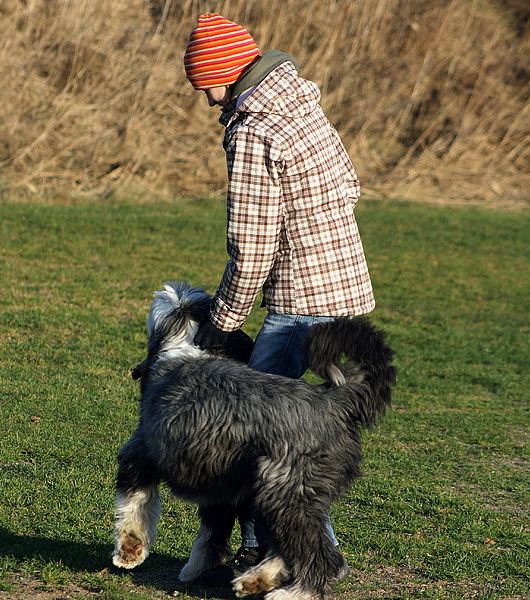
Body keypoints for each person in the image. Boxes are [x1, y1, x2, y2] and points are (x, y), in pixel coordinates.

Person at [183, 13, 375, 576]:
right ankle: (276, 552)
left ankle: (303, 558)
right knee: (300, 434)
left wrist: (221, 324)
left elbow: (252, 244)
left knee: (258, 432)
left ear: (225, 71)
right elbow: (351, 184)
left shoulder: (252, 129)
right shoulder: (301, 104)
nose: (209, 99)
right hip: (344, 289)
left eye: (208, 86)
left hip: (298, 303)